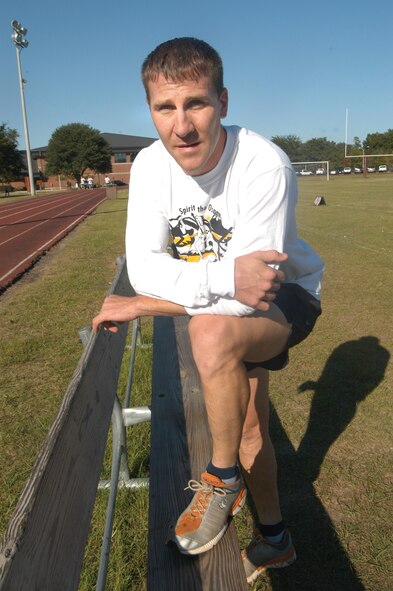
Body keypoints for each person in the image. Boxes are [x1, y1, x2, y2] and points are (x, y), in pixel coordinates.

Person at [92, 37, 324, 584]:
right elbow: (145, 266)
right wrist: (213, 280)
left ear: (222, 100)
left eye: (195, 103)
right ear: (149, 109)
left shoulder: (264, 164)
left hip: (285, 298)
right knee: (248, 428)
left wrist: (148, 304)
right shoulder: (149, 166)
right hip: (224, 297)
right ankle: (275, 541)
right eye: (164, 108)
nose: (182, 126)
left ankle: (221, 480)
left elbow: (253, 291)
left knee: (212, 335)